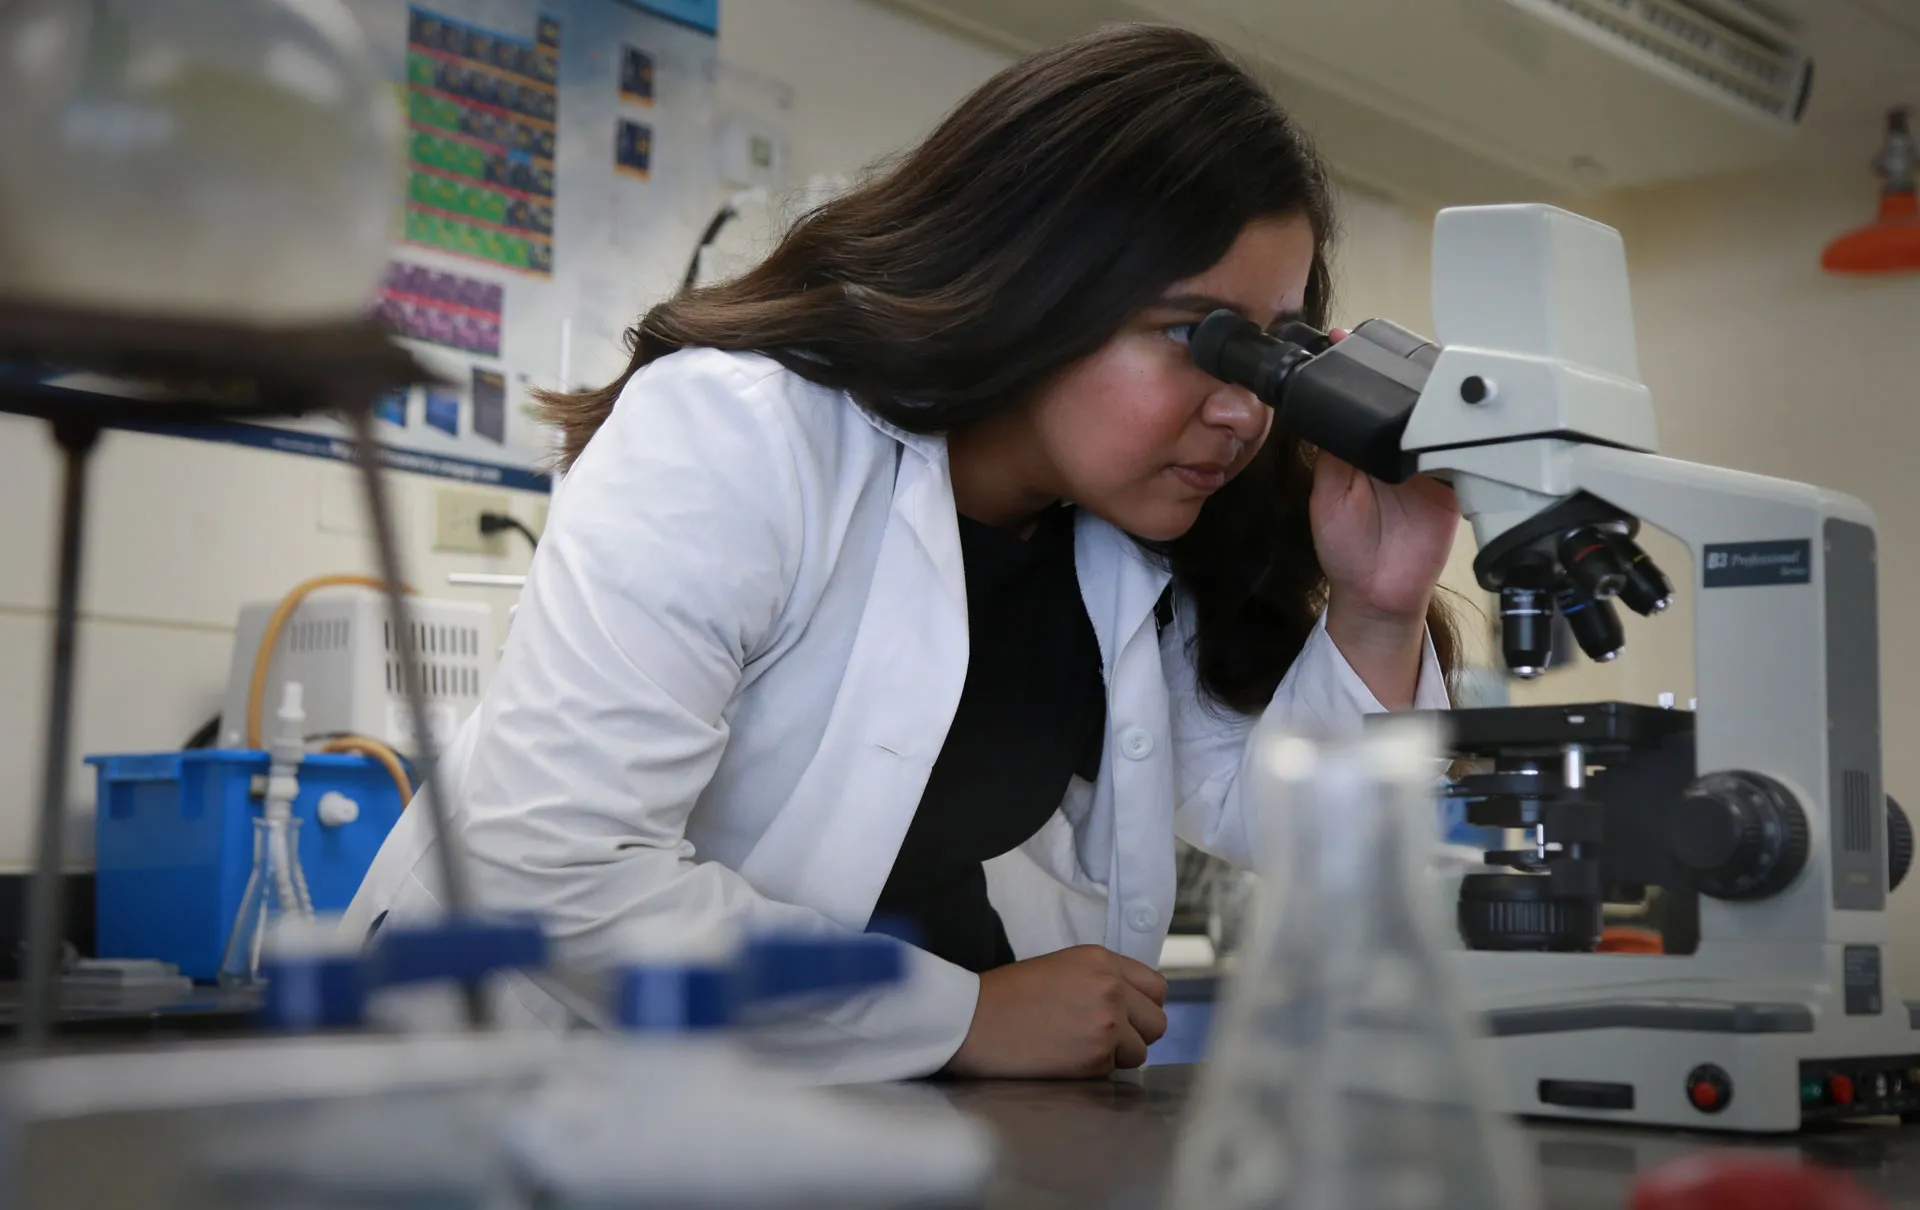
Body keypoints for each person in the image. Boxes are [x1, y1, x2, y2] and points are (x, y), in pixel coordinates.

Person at [345, 22, 1459, 1082]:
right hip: (513, 1078)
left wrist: (1378, 606)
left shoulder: (1129, 543)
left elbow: (1311, 835)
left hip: (826, 1104)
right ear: (1036, 278)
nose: (1243, 410)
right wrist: (962, 1015)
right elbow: (553, 875)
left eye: (1271, 352)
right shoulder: (737, 432)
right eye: (1197, 337)